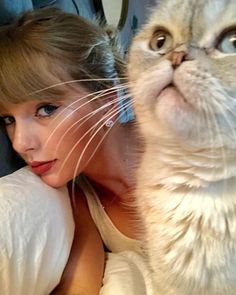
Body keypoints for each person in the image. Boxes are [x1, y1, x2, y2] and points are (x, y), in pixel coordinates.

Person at [0, 7, 142, 294]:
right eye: (8, 119)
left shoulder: (186, 144)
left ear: (108, 100)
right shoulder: (78, 202)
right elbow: (81, 286)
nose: (20, 143)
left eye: (46, 109)